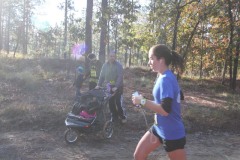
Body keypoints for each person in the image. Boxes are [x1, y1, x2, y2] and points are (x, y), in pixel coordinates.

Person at [132, 44, 186, 160]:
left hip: (172, 132)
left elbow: (165, 110)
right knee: (139, 155)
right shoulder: (162, 76)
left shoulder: (166, 79)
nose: (149, 62)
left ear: (161, 60)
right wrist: (143, 100)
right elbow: (172, 98)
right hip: (159, 128)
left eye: (151, 58)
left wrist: (142, 101)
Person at [95, 52, 127, 124]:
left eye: (113, 56)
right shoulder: (105, 65)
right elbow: (102, 76)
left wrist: (116, 86)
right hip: (109, 86)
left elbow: (120, 76)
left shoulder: (118, 65)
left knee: (118, 102)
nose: (112, 57)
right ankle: (114, 116)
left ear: (115, 57)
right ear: (108, 57)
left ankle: (122, 116)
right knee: (110, 102)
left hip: (118, 87)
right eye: (110, 56)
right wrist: (98, 84)